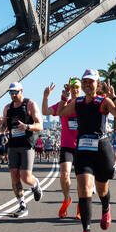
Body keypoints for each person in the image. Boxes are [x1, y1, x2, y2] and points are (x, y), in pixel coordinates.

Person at [55, 69, 116, 232]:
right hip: (83, 149)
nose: (87, 84)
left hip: (102, 149)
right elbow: (62, 112)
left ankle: (105, 208)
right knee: (84, 188)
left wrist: (114, 97)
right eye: (84, 81)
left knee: (102, 190)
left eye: (91, 81)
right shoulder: (78, 102)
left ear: (98, 84)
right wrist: (64, 96)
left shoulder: (103, 101)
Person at [1, 81, 43, 218]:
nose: (13, 95)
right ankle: (22, 205)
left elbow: (40, 125)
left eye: (15, 92)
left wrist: (27, 127)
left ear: (21, 91)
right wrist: (0, 125)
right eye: (10, 93)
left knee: (25, 177)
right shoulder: (7, 108)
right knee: (14, 175)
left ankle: (35, 184)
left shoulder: (30, 104)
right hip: (13, 145)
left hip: (26, 144)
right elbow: (4, 128)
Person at [42, 78, 81, 218]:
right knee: (64, 175)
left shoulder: (85, 105)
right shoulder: (63, 105)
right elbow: (45, 111)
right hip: (67, 145)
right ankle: (66, 199)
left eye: (77, 87)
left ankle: (81, 206)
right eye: (73, 87)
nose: (75, 89)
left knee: (81, 179)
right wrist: (46, 96)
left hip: (83, 146)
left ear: (81, 89)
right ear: (69, 90)